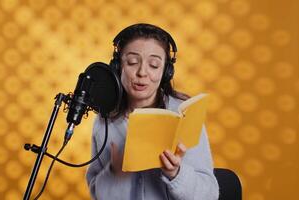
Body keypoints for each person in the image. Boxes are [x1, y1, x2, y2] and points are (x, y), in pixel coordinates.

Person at [86, 23, 219, 200]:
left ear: (166, 72)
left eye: (154, 65)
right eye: (132, 62)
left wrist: (176, 174)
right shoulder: (104, 121)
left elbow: (209, 194)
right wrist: (113, 173)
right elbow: (97, 193)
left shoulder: (185, 115)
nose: (142, 72)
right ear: (118, 66)